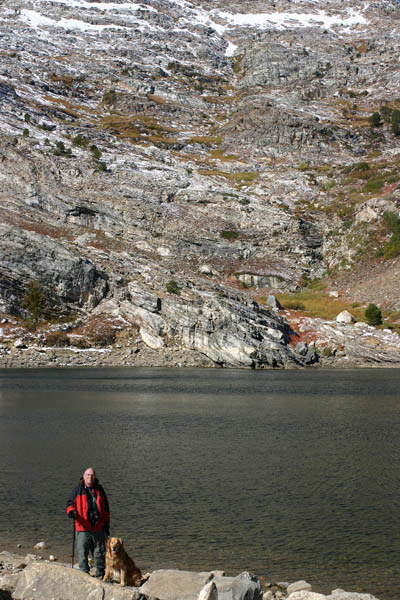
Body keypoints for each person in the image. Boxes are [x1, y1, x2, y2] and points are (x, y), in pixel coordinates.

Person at [66, 467, 110, 577]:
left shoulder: (99, 489)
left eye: (92, 475)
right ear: (84, 476)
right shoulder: (77, 489)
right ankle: (84, 575)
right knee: (82, 553)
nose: (90, 477)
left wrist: (106, 524)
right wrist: (71, 512)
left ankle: (100, 574)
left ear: (95, 477)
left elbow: (106, 508)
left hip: (98, 527)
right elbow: (69, 504)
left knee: (99, 552)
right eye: (88, 475)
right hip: (82, 527)